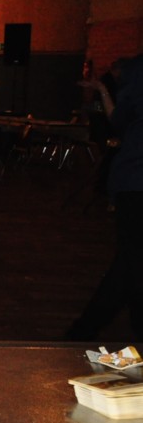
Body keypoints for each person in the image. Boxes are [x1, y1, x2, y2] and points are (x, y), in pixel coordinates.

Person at [64, 53, 143, 341]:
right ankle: (84, 331)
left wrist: (102, 90)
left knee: (131, 262)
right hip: (135, 181)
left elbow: (118, 119)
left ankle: (84, 331)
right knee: (132, 262)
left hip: (134, 181)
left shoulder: (138, 74)